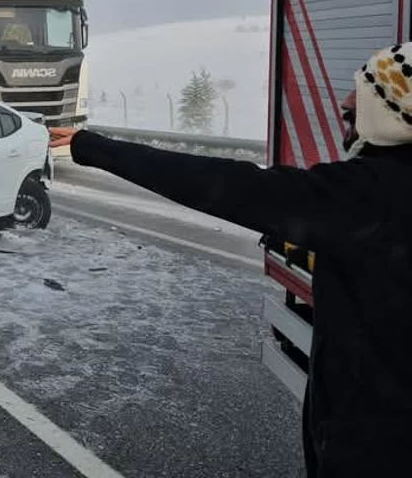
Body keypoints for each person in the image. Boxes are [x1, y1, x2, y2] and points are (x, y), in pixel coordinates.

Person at [64, 43, 412, 477]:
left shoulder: (371, 195)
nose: (344, 105)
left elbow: (224, 185)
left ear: (389, 111)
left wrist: (93, 148)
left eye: (358, 100)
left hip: (377, 447)